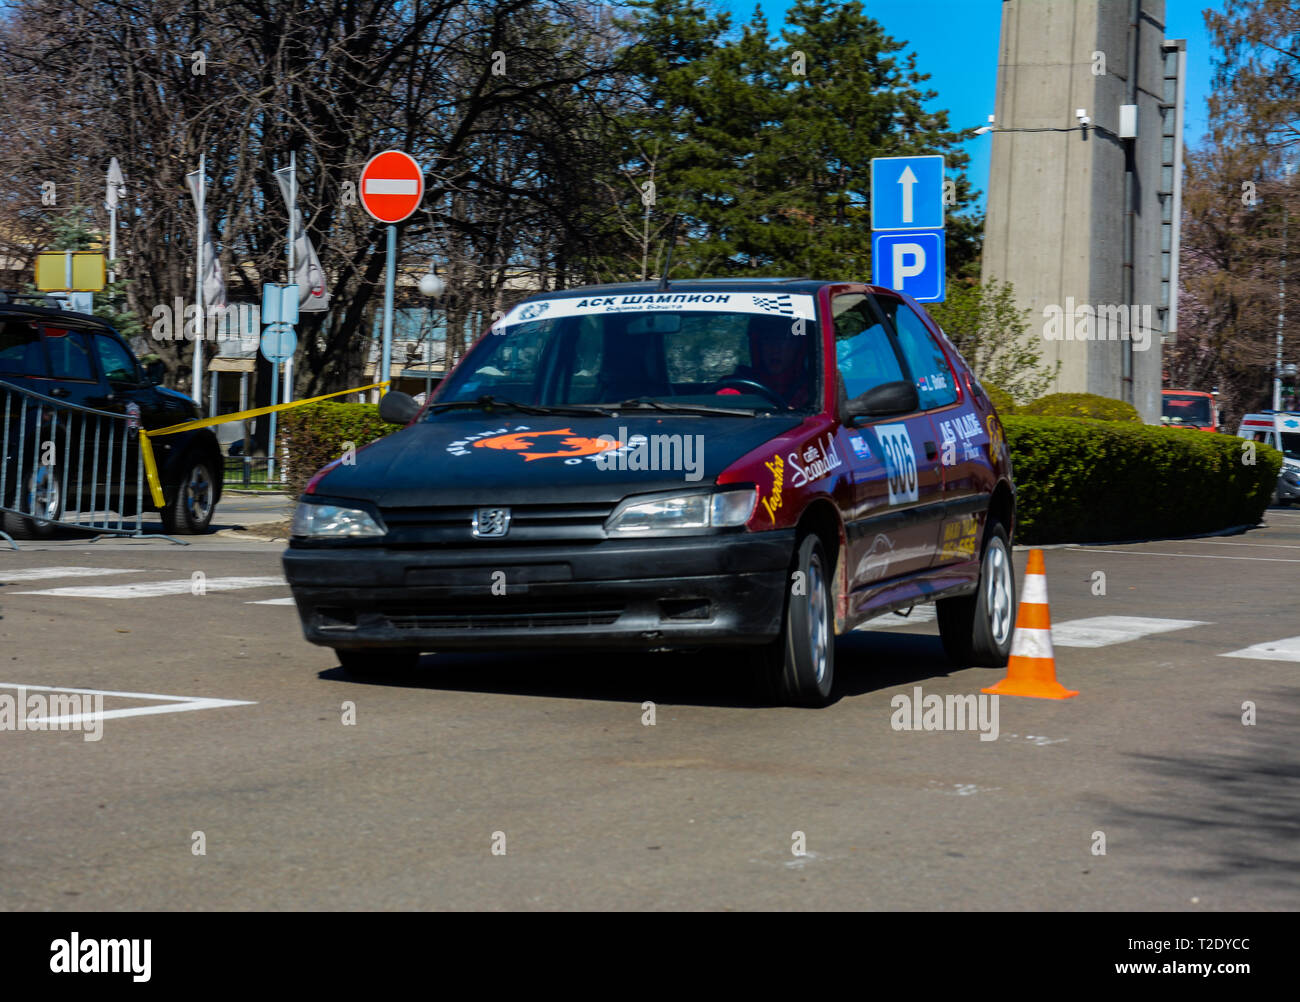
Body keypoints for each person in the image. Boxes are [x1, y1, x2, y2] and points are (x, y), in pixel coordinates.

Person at [722, 315, 812, 408]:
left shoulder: (814, 392)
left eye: (786, 341)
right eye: (769, 340)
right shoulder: (736, 385)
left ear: (797, 348)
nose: (776, 349)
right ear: (758, 347)